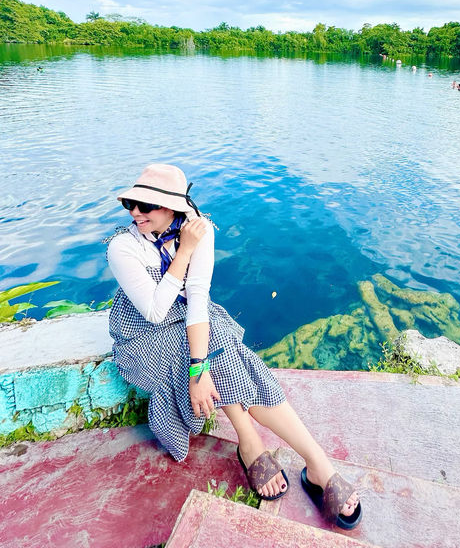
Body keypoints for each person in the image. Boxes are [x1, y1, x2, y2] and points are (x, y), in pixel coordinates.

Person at [106, 164, 362, 529]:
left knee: (221, 348)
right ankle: (261, 446)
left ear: (172, 207)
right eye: (131, 203)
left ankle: (307, 459)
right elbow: (155, 310)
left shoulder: (199, 229)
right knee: (210, 352)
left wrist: (200, 367)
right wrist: (184, 253)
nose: (134, 213)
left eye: (145, 206)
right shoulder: (123, 246)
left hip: (186, 317)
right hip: (141, 333)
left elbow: (196, 298)